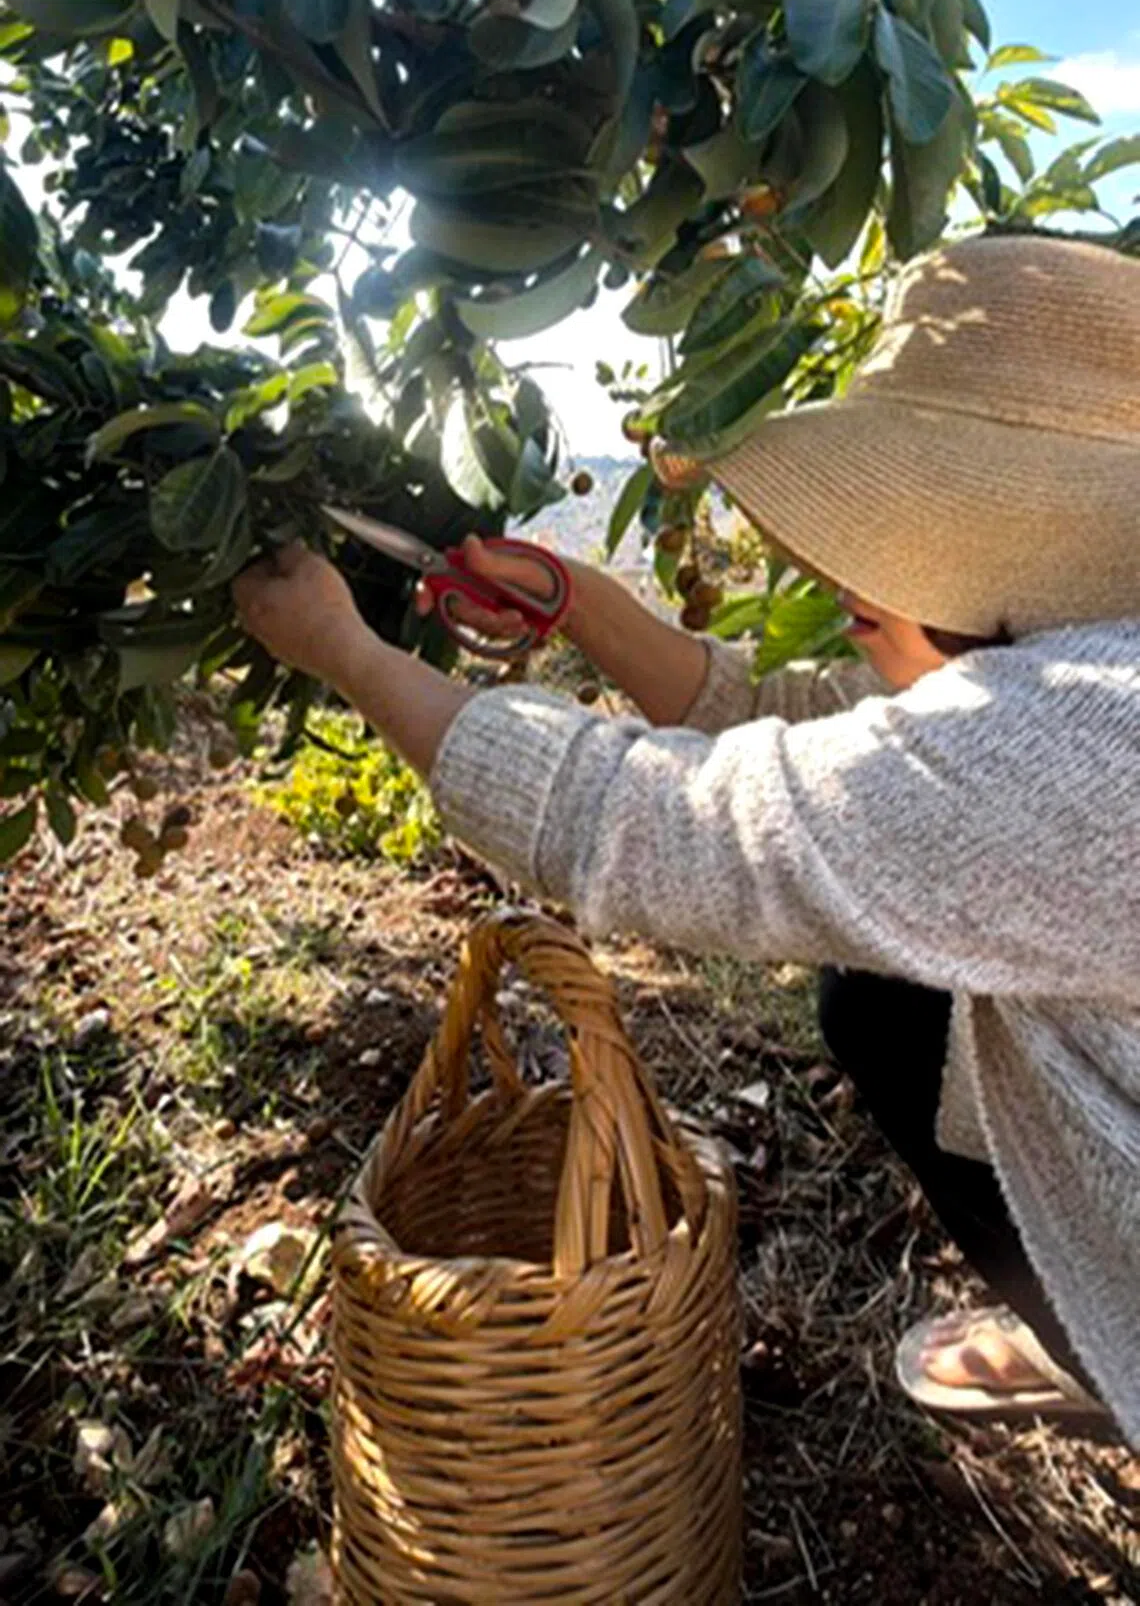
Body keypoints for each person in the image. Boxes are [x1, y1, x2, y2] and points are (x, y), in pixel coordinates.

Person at [234, 235, 1140, 1446]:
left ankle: (1110, 1331)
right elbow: (815, 725)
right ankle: (1082, 1311)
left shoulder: (1079, 742)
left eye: (899, 521)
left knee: (881, 998)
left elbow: (652, 823)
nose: (844, 566)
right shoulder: (1087, 657)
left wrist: (346, 652)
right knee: (883, 997)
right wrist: (579, 601)